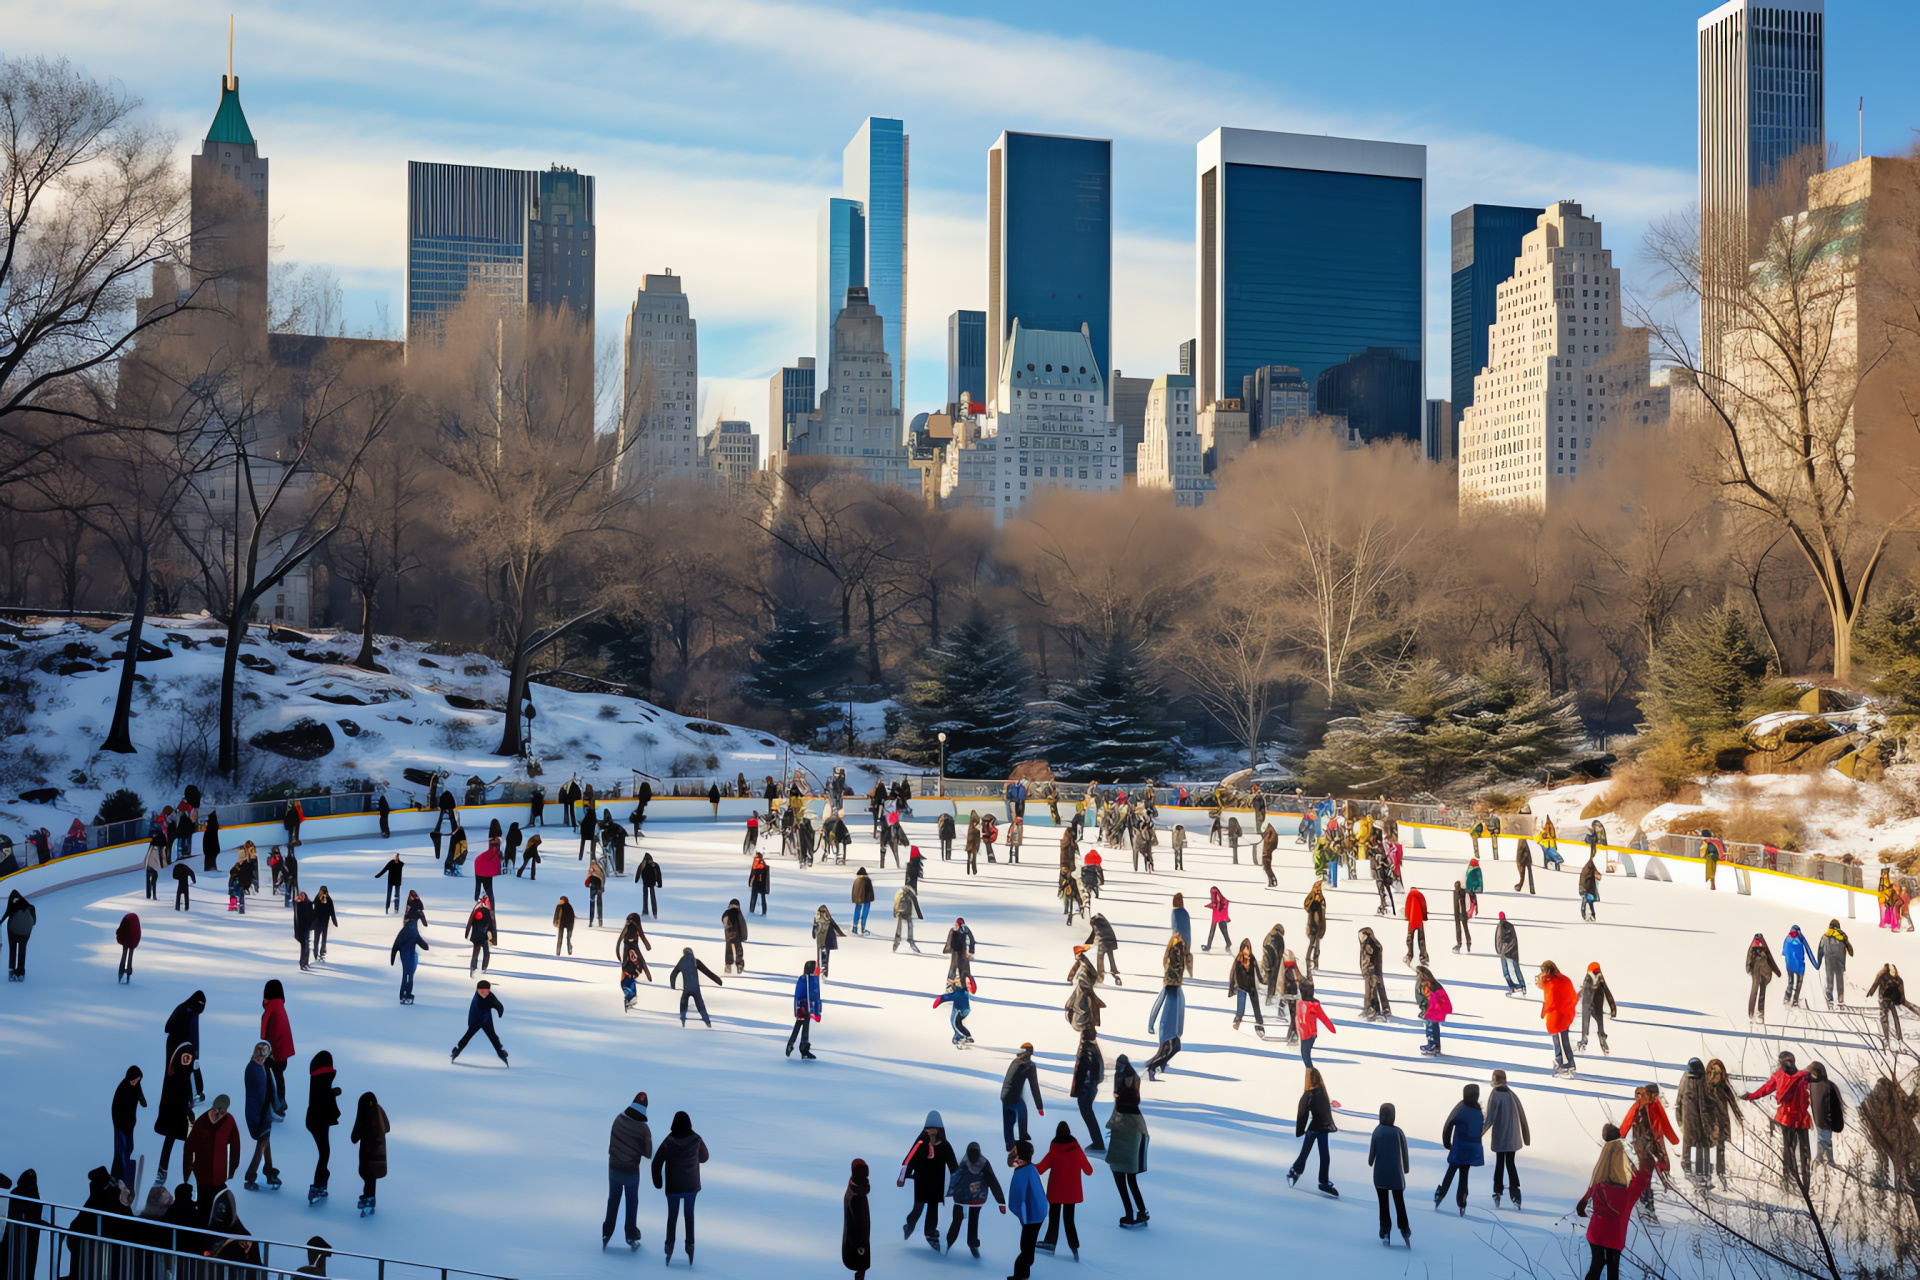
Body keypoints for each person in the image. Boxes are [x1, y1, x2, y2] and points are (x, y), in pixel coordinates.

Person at [1575, 1132, 1653, 1280]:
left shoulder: (1598, 1186)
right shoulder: (1629, 1192)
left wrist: (1584, 1201)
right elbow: (1644, 1175)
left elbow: (1588, 1195)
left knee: (1596, 1266)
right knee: (1613, 1270)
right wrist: (1642, 1154)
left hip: (1595, 1233)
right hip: (1615, 1236)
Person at [1743, 1050, 1812, 1189]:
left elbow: (1764, 1090)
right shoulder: (1804, 1077)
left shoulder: (1780, 1076)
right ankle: (1805, 1181)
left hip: (1787, 1119)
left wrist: (1750, 1096)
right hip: (1800, 1119)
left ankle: (1788, 1180)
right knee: (1804, 1151)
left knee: (1789, 1150)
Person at [1676, 1058, 1743, 1189]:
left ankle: (1714, 1173)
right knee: (1697, 1145)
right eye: (1712, 1071)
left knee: (1709, 1145)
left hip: (1712, 1119)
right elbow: (1683, 1101)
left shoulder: (1704, 1082)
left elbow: (1728, 1101)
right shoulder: (1699, 1081)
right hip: (1700, 1120)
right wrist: (1681, 1119)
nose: (1714, 1074)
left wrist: (1738, 1117)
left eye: (1717, 1072)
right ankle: (1697, 1172)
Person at [899, 1111, 958, 1250]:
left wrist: (958, 1181)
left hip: (936, 1183)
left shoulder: (945, 1146)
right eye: (928, 1127)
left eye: (933, 1127)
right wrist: (902, 1177)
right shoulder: (920, 1144)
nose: (930, 1130)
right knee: (918, 1208)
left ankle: (930, 1232)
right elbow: (909, 1160)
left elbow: (954, 1166)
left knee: (933, 1207)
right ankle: (910, 1224)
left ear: (939, 1129)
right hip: (921, 1181)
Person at [603, 1091, 652, 1251]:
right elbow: (648, 1153)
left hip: (614, 1168)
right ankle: (631, 1236)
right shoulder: (643, 1128)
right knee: (632, 1202)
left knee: (613, 1200)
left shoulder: (618, 1119)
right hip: (631, 1171)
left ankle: (607, 1233)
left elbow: (612, 1143)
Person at [1104, 1056, 1149, 1227]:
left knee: (1119, 1177)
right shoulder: (1135, 1110)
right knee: (1130, 1178)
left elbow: (1116, 1119)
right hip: (1133, 1137)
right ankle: (1141, 1211)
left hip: (1122, 1137)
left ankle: (1130, 1213)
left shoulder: (1122, 1105)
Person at [943, 1140, 1005, 1258]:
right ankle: (972, 1244)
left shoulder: (963, 1162)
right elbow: (993, 1181)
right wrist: (1001, 1202)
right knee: (973, 1220)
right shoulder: (984, 1163)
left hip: (961, 1198)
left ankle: (948, 1243)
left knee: (957, 1220)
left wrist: (948, 1193)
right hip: (977, 1198)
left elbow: (954, 1179)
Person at [1434, 1083, 1485, 1215]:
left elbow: (1449, 1124)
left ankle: (1441, 1193)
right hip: (1471, 1149)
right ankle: (1462, 1200)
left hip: (1459, 1148)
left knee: (1451, 1171)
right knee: (1464, 1174)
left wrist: (1447, 1143)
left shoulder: (1461, 1108)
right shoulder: (1478, 1111)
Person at [1287, 1068, 1339, 1197]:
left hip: (1315, 1128)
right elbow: (1313, 1112)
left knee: (1307, 1153)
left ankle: (1295, 1171)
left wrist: (1300, 1130)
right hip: (1321, 1128)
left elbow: (1302, 1113)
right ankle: (1322, 1181)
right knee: (1324, 1156)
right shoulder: (1319, 1092)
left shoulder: (1309, 1094)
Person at [1486, 1069, 1531, 1208]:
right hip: (1513, 1137)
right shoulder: (1512, 1094)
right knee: (1510, 1163)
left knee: (1500, 1163)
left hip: (1501, 1136)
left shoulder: (1495, 1094)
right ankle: (1515, 1193)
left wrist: (1478, 1134)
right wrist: (1526, 1136)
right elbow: (1523, 1116)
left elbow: (1490, 1118)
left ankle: (1497, 1190)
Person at [153, 1045, 197, 1186]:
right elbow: (169, 1099)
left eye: (189, 1058)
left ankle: (188, 1172)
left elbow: (196, 1091)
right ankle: (162, 1170)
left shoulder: (189, 1074)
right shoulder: (173, 1077)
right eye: (184, 1058)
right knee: (170, 1142)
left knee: (189, 1145)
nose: (187, 1061)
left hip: (183, 1117)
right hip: (173, 1117)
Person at [1369, 1102, 1411, 1247]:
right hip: (1396, 1177)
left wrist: (1371, 1160)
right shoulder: (1398, 1132)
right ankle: (1404, 1228)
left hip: (1380, 1175)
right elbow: (1405, 1153)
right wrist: (1405, 1168)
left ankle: (1385, 1228)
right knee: (1399, 1202)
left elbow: (1371, 1156)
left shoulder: (1378, 1131)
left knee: (1383, 1203)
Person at [184, 1093, 240, 1198]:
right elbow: (189, 1147)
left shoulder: (228, 1121)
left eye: (222, 1112)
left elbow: (235, 1147)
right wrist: (187, 1172)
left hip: (217, 1174)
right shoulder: (202, 1121)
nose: (218, 1114)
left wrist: (232, 1168)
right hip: (204, 1175)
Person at [242, 1041, 281, 1190]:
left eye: (264, 1052)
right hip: (257, 1113)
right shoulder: (254, 1069)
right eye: (259, 1051)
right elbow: (260, 1094)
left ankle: (269, 1172)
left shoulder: (260, 1067)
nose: (260, 1055)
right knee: (262, 1144)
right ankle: (250, 1177)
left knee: (265, 1142)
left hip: (261, 1111)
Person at [1006, 1140, 1048, 1279]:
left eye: (1014, 1150)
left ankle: (1019, 1275)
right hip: (1037, 1213)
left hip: (1031, 1216)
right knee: (1027, 1249)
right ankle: (1024, 1274)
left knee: (1026, 1250)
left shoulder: (1023, 1172)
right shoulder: (1030, 1168)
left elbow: (1019, 1198)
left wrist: (1024, 1219)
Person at [348, 1092, 388, 1217]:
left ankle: (368, 1198)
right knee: (372, 1179)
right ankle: (370, 1198)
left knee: (368, 1177)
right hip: (379, 1155)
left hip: (367, 1155)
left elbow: (354, 1138)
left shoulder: (364, 1115)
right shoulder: (379, 1111)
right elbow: (387, 1127)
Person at [451, 980, 509, 1065]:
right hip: (476, 1021)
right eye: (481, 991)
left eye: (486, 991)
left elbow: (498, 1005)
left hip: (486, 1021)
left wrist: (499, 1010)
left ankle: (501, 1052)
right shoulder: (477, 999)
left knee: (493, 1037)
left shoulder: (490, 996)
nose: (484, 993)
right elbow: (477, 1009)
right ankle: (457, 1051)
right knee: (467, 1036)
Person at [260, 980, 294, 1115]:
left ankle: (274, 1103)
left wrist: (270, 1051)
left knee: (269, 1077)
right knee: (278, 1076)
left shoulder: (271, 1008)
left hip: (273, 1051)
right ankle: (280, 1100)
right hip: (281, 1050)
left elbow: (265, 1032)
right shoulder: (280, 1007)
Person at [1538, 961, 1577, 1077]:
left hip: (1556, 1017)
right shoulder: (1565, 979)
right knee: (1564, 1039)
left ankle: (1564, 1065)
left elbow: (1549, 1002)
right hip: (1566, 1015)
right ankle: (1570, 1062)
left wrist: (1543, 1013)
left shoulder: (1551, 984)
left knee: (1558, 1041)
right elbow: (1573, 996)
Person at [111, 1065, 146, 1187]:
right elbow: (115, 1108)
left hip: (130, 1124)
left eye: (138, 1080)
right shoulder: (123, 1088)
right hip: (121, 1125)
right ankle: (117, 1176)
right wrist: (117, 1124)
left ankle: (121, 1174)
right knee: (121, 1150)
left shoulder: (136, 1086)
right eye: (133, 1081)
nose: (136, 1083)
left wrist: (142, 1100)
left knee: (129, 1148)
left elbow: (140, 1095)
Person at [1866, 963, 1918, 1044]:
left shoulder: (1899, 980)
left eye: (1894, 969)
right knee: (1885, 1018)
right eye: (1891, 969)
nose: (1893, 971)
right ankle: (1887, 1037)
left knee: (1894, 1017)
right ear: (1888, 970)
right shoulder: (1884, 977)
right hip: (1884, 999)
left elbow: (1901, 992)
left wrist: (1902, 1001)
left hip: (1892, 1001)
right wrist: (1870, 993)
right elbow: (1876, 984)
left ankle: (1898, 1037)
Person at [670, 948, 722, 1027]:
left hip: (686, 988)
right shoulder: (695, 961)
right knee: (700, 1004)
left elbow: (673, 974)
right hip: (695, 989)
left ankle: (682, 1019)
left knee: (683, 1002)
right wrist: (718, 981)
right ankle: (707, 1021)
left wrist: (673, 986)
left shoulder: (682, 962)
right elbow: (707, 972)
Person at [1579, 962, 1618, 1054]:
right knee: (1591, 1025)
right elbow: (1606, 991)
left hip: (1591, 1005)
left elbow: (1606, 991)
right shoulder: (1596, 979)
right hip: (1591, 1005)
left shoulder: (1595, 979)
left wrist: (1613, 1008)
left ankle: (1593, 1040)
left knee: (1595, 1025)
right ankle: (1590, 1041)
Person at [1295, 984, 1337, 1070]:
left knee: (1306, 1057)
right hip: (1303, 1034)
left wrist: (1332, 1029)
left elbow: (1323, 1018)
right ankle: (1310, 1074)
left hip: (1310, 1035)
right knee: (1305, 1055)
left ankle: (1311, 1075)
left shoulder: (1314, 1005)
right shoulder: (1299, 1003)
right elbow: (1297, 1017)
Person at [390, 914, 429, 1005]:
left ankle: (403, 995)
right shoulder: (413, 930)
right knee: (409, 976)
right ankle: (406, 995)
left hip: (404, 956)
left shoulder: (404, 931)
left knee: (406, 975)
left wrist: (393, 956)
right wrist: (425, 946)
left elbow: (396, 944)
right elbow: (421, 942)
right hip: (410, 956)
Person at [842, 1158, 872, 1278]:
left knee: (861, 1265)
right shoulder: (857, 1196)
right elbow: (860, 1223)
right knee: (861, 1264)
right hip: (859, 1239)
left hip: (857, 1238)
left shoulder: (853, 1191)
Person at [1228, 941, 1265, 1034]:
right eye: (1244, 947)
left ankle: (1259, 1023)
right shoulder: (1238, 958)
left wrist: (1263, 980)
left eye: (1247, 948)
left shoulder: (1252, 958)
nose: (1246, 950)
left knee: (1256, 1006)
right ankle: (1237, 1021)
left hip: (1251, 986)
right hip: (1241, 986)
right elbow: (1232, 972)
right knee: (1240, 1007)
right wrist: (1232, 984)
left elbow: (1257, 971)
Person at [787, 960, 822, 1059]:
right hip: (803, 1006)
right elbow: (799, 993)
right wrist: (798, 1007)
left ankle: (803, 1048)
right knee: (799, 1024)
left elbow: (815, 994)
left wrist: (817, 1008)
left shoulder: (813, 979)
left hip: (809, 1006)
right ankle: (792, 1044)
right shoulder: (804, 979)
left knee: (805, 1026)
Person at [1745, 933, 1782, 1022]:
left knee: (1754, 991)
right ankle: (1760, 1012)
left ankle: (1751, 1012)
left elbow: (1748, 958)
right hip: (1765, 971)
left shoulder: (1752, 946)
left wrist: (1748, 969)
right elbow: (1770, 959)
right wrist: (1778, 973)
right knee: (1762, 991)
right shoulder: (1764, 946)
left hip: (1756, 971)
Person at [1415, 966, 1451, 1055]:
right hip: (1437, 1010)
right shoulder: (1433, 984)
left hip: (1433, 1010)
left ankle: (1432, 1045)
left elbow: (1431, 999)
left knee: (1430, 1028)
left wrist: (1426, 1011)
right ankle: (1436, 1046)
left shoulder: (1428, 985)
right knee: (1435, 1027)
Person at [1819, 919, 1854, 1007]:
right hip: (1840, 962)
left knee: (1830, 980)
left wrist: (1818, 962)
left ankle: (1829, 998)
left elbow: (1820, 950)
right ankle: (1840, 999)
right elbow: (1851, 952)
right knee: (1840, 982)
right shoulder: (1842, 937)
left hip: (1829, 962)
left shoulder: (1825, 936)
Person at [1781, 924, 1817, 1007]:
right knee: (1799, 982)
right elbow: (1808, 951)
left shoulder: (1787, 939)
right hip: (1800, 965)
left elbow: (1784, 952)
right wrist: (1816, 965)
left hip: (1789, 965)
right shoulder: (1801, 938)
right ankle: (1795, 1000)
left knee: (1790, 981)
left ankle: (1787, 997)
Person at [934, 974, 974, 1046]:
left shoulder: (958, 992)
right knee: (958, 1022)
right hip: (965, 1009)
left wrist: (940, 999)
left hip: (959, 1009)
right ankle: (963, 1036)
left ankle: (963, 1036)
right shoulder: (964, 991)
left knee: (955, 1023)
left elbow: (948, 997)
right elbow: (972, 989)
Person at [465, 898, 497, 975]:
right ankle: (483, 968)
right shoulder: (488, 911)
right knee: (486, 953)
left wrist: (468, 934)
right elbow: (492, 926)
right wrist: (492, 938)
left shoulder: (476, 910)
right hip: (484, 936)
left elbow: (470, 923)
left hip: (476, 936)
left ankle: (473, 968)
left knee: (476, 953)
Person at [721, 898, 749, 974]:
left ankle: (729, 965)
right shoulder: (738, 913)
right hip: (736, 936)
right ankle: (738, 965)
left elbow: (723, 919)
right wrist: (744, 936)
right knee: (738, 950)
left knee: (729, 950)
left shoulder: (727, 913)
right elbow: (743, 926)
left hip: (729, 936)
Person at [892, 882, 923, 953]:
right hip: (908, 912)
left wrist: (895, 912)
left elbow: (896, 902)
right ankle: (910, 940)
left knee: (899, 927)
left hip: (900, 912)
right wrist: (919, 915)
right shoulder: (910, 893)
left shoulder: (899, 892)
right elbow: (915, 903)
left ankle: (896, 941)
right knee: (910, 925)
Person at [1496, 913, 1523, 993]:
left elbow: (1498, 939)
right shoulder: (1510, 926)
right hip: (1510, 951)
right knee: (1515, 969)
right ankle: (1520, 986)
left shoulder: (1500, 927)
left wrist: (1500, 950)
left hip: (1503, 952)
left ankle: (1514, 987)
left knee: (1506, 972)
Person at [1305, 880, 1328, 971]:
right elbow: (1306, 906)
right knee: (1311, 943)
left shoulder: (1322, 899)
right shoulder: (1311, 898)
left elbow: (1323, 911)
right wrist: (1314, 899)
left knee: (1317, 945)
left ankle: (1316, 961)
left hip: (1320, 925)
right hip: (1312, 924)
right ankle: (1308, 959)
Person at [1403, 885, 1429, 965]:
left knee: (1410, 938)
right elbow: (1424, 906)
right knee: (1421, 938)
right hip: (1419, 919)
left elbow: (1407, 907)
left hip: (1412, 920)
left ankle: (1409, 955)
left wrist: (1407, 917)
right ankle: (1423, 955)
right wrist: (1424, 917)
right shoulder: (1420, 895)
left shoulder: (1409, 896)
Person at [1202, 886, 1231, 952]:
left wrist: (1207, 905)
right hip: (1218, 913)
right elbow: (1219, 903)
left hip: (1218, 914)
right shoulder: (1220, 897)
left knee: (1216, 929)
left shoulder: (1217, 896)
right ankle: (1228, 943)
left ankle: (1209, 946)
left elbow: (1216, 904)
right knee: (1221, 929)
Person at [849, 867, 874, 934]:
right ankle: (863, 928)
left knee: (857, 912)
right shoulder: (867, 880)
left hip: (858, 900)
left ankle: (855, 927)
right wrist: (870, 898)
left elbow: (854, 891)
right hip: (866, 900)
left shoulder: (856, 881)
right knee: (864, 913)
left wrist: (855, 898)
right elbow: (870, 891)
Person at [1579, 855, 1600, 921]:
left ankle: (1590, 915)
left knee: (1589, 902)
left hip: (1586, 889)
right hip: (1586, 889)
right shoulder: (1589, 869)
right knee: (1587, 901)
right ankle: (1587, 915)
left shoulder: (1589, 868)